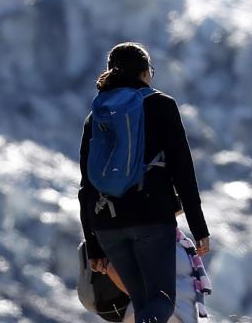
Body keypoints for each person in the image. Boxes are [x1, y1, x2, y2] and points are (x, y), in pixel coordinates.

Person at [79, 42, 211, 323]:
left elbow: (86, 187)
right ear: (144, 73)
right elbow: (182, 169)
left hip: (106, 223)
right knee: (162, 301)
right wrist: (198, 226)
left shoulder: (97, 115)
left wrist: (94, 245)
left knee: (144, 306)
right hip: (151, 217)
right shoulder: (161, 104)